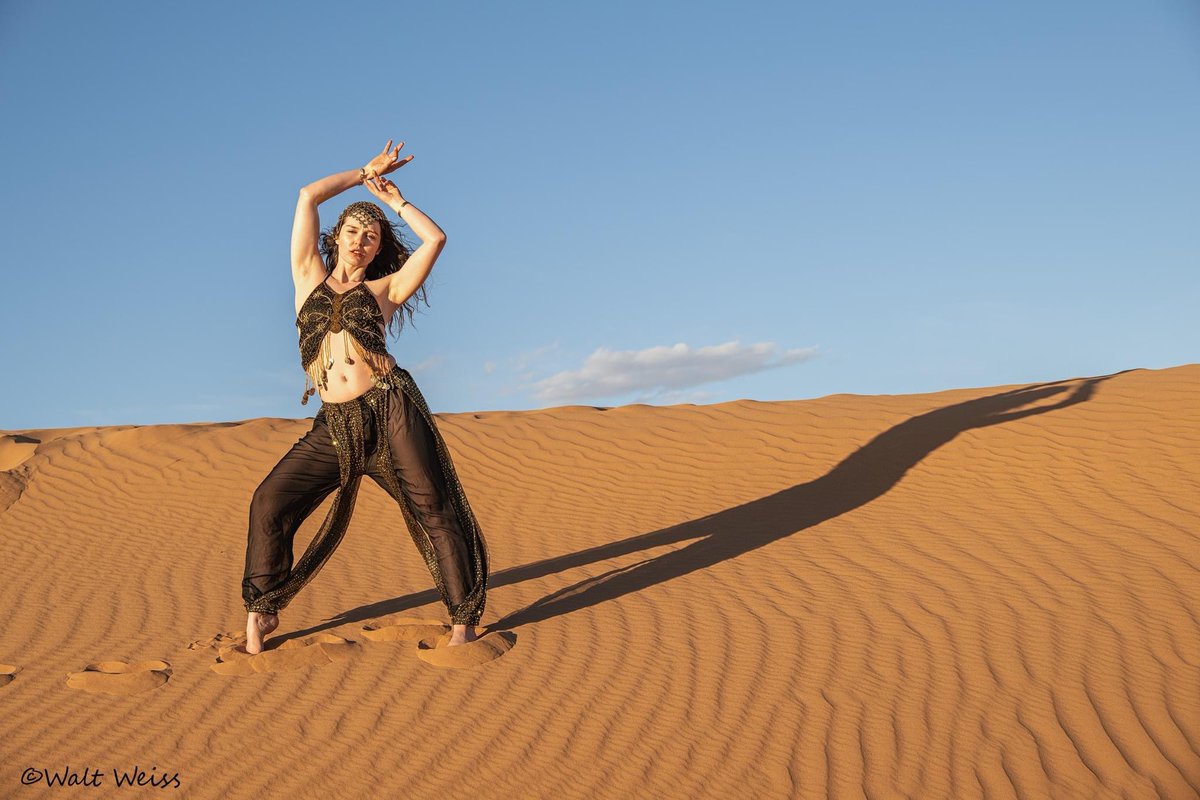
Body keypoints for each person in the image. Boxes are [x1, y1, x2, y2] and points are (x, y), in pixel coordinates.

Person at [240, 139, 490, 655]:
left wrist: (394, 200)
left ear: (379, 248)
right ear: (337, 237)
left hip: (391, 409)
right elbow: (308, 195)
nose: (360, 240)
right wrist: (363, 173)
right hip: (334, 425)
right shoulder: (306, 277)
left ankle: (463, 618)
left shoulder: (385, 291)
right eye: (353, 231)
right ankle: (262, 608)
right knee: (270, 500)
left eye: (371, 236)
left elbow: (435, 238)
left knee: (433, 507)